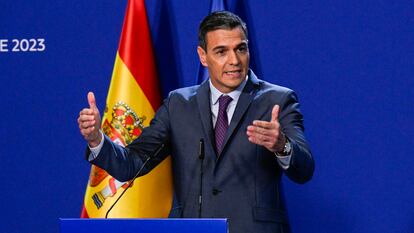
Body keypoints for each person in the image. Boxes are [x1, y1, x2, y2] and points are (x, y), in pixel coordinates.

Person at [78, 11, 314, 233]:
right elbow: (133, 163)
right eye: (221, 52)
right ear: (203, 56)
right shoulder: (178, 104)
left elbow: (304, 170)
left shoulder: (277, 100)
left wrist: (282, 145)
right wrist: (97, 140)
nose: (234, 60)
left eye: (240, 49)